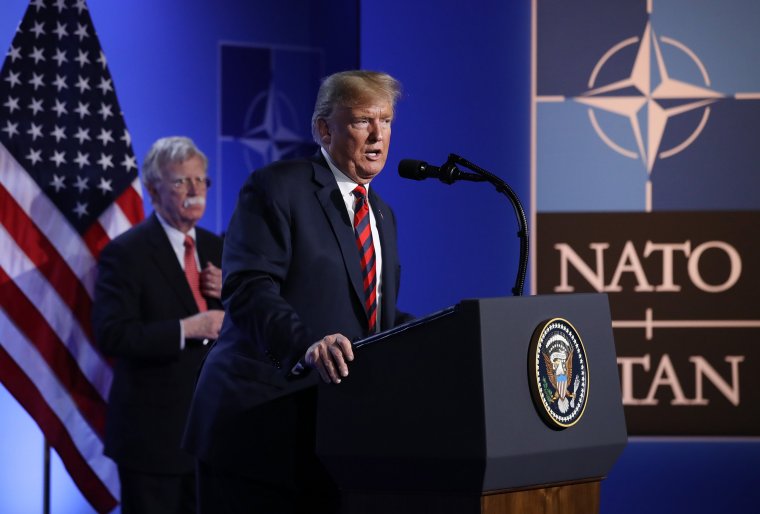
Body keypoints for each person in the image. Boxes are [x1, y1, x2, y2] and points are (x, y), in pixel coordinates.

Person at [183, 70, 414, 514]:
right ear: (324, 129)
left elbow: (370, 315)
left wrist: (435, 334)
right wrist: (306, 344)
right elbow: (248, 287)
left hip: (329, 437)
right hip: (255, 430)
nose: (377, 135)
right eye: (363, 120)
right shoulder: (277, 187)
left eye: (386, 121)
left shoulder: (381, 213)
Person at [92, 136, 225, 514]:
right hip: (151, 440)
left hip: (211, 436)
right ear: (152, 189)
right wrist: (187, 328)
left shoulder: (219, 250)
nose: (195, 190)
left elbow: (242, 328)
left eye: (201, 181)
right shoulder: (125, 253)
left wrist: (230, 293)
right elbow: (113, 333)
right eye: (182, 181)